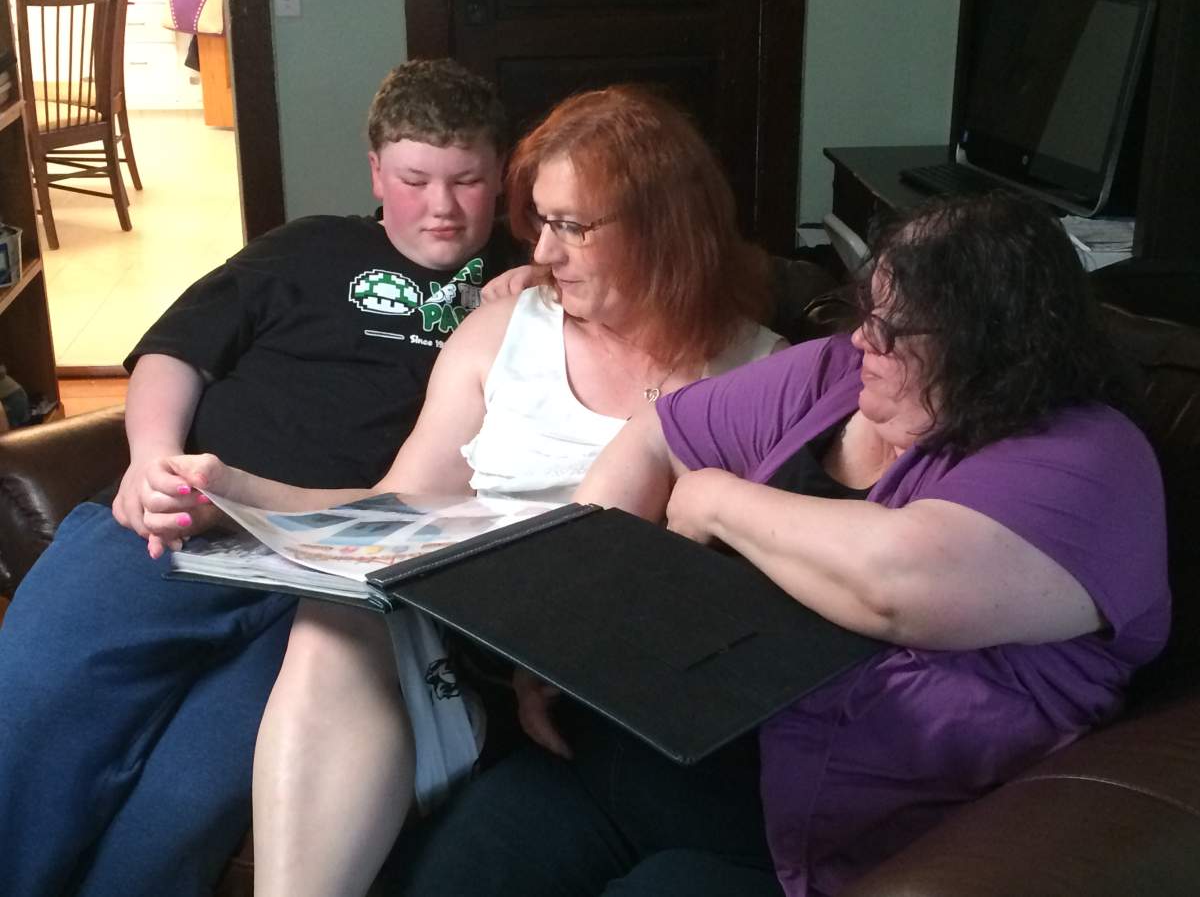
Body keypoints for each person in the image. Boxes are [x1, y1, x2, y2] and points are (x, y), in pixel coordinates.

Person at [388, 191, 1172, 897]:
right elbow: (658, 433)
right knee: (462, 861)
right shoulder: (837, 375)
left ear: (992, 347)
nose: (863, 337)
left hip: (831, 833)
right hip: (666, 749)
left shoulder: (1088, 458)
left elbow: (896, 584)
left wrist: (718, 499)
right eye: (866, 309)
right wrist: (565, 633)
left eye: (894, 328)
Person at [148, 85, 785, 897]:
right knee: (338, 616)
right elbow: (397, 512)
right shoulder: (501, 332)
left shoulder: (764, 372)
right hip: (463, 640)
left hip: (617, 670)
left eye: (572, 226)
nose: (545, 252)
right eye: (541, 222)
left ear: (662, 226)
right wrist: (240, 492)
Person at [0, 58, 520, 897]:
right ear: (375, 172)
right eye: (415, 179)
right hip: (179, 525)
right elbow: (175, 351)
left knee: (189, 796)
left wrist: (538, 289)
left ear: (501, 176)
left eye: (467, 181)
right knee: (31, 716)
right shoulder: (307, 246)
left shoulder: (526, 285)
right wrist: (150, 457)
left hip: (328, 583)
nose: (443, 207)